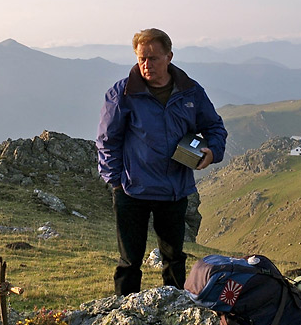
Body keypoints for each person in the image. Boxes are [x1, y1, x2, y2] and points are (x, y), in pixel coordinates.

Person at [96, 28, 227, 296]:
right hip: (132, 191)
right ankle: (126, 317)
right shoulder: (122, 93)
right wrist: (115, 182)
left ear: (169, 57)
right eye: (142, 58)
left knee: (174, 260)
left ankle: (178, 313)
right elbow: (107, 140)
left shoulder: (190, 92)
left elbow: (215, 127)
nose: (146, 65)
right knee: (130, 262)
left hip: (174, 191)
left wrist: (212, 152)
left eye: (153, 58)